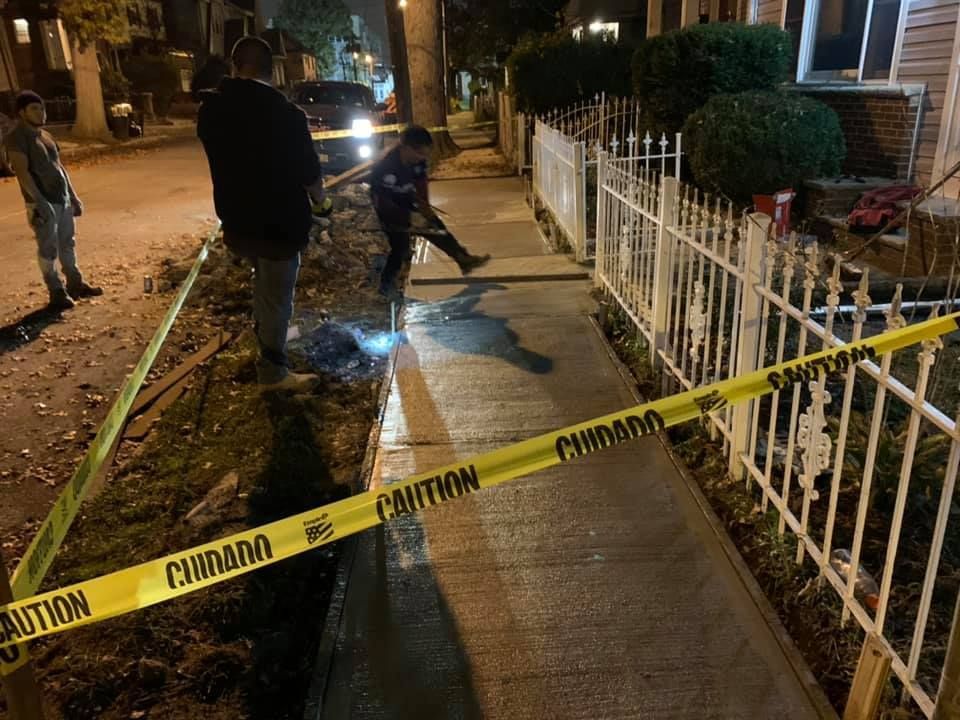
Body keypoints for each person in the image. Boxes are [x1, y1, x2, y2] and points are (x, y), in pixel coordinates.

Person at [198, 36, 325, 391]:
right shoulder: (286, 115)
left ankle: (269, 343)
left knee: (262, 285)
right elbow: (310, 175)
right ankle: (273, 372)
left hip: (237, 221)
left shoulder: (212, 110)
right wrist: (321, 201)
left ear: (235, 66)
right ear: (273, 71)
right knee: (276, 296)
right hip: (279, 225)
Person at [4, 91, 102, 311]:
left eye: (42, 108)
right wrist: (39, 202)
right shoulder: (16, 138)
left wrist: (73, 196)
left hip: (62, 199)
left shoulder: (46, 136)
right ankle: (55, 291)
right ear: (22, 113)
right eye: (34, 109)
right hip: (41, 203)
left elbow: (60, 168)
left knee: (68, 243)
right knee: (47, 248)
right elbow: (23, 173)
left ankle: (75, 283)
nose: (41, 113)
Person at [370, 126, 489, 299]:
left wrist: (425, 209)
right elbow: (382, 203)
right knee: (400, 247)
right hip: (388, 205)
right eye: (419, 153)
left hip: (407, 197)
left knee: (436, 227)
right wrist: (407, 218)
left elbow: (420, 183)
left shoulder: (418, 160)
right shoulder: (385, 167)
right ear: (406, 147)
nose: (422, 158)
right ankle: (386, 285)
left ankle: (462, 258)